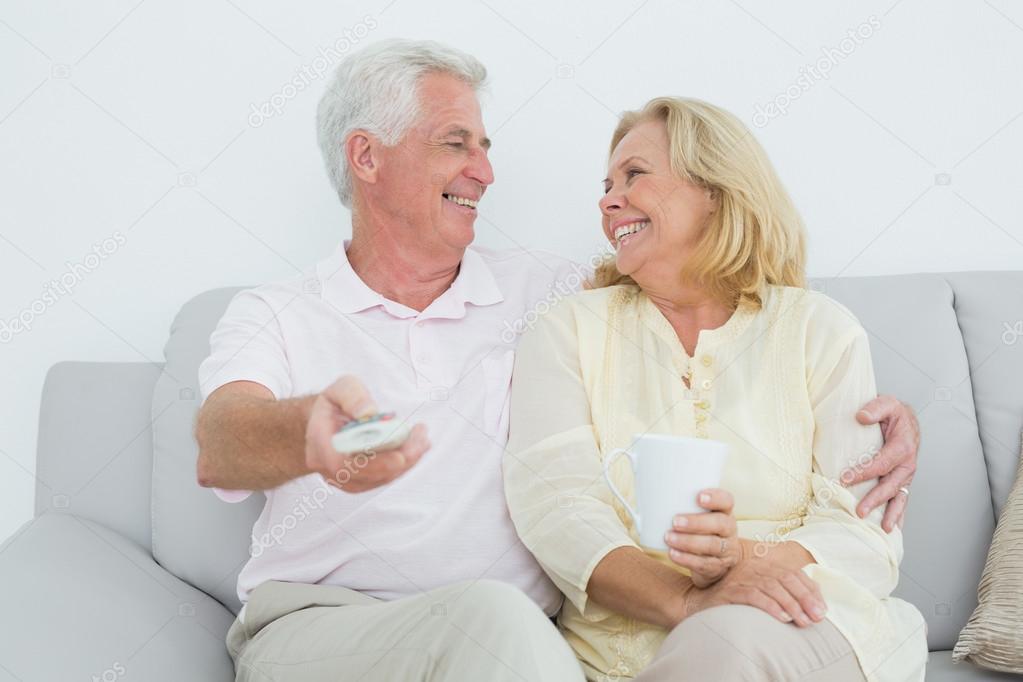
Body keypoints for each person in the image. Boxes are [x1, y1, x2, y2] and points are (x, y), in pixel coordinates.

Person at [195, 39, 921, 682]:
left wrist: (882, 423)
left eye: (484, 146)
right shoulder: (276, 312)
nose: (484, 172)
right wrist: (310, 434)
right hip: (326, 625)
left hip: (510, 643)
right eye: (456, 144)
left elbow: (698, 290)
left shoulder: (549, 293)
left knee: (505, 627)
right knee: (496, 621)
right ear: (366, 156)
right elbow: (221, 441)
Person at [503, 96, 928, 681]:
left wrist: (744, 569)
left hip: (795, 625)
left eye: (635, 175)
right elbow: (558, 510)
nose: (607, 200)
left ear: (716, 189)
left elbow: (862, 526)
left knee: (725, 645)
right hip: (617, 651)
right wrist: (685, 597)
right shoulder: (568, 329)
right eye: (606, 184)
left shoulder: (819, 330)